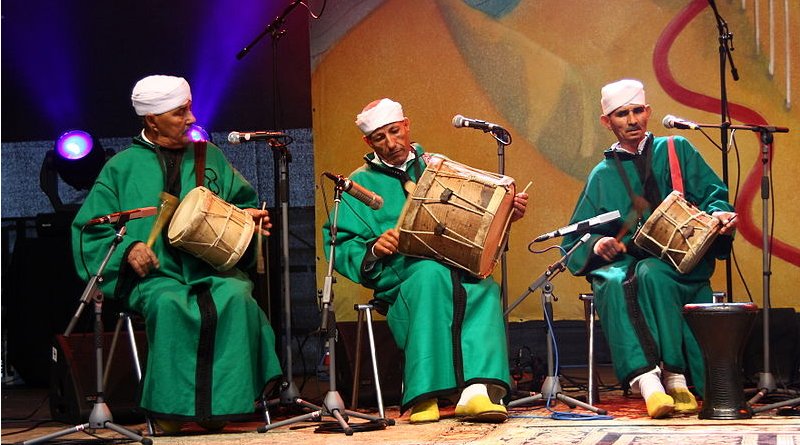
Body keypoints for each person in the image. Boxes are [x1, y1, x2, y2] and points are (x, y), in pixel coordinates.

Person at [71, 75, 282, 433]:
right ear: (151, 120)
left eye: (188, 109)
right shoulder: (120, 167)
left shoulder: (209, 156)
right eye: (179, 112)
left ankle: (225, 406)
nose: (190, 118)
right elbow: (88, 228)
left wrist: (249, 220)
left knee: (237, 295)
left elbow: (243, 203)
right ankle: (170, 413)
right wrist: (128, 250)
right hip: (156, 277)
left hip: (211, 270)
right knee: (170, 305)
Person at [322, 98, 528, 424]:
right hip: (401, 273)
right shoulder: (359, 183)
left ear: (406, 125)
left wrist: (507, 214)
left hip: (454, 264)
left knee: (484, 286)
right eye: (380, 138)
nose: (391, 143)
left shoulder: (437, 167)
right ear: (368, 142)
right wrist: (375, 247)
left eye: (394, 131)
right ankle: (425, 395)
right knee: (430, 276)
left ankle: (478, 390)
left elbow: (472, 217)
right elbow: (340, 242)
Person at [561, 79, 738, 418]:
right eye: (622, 114)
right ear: (606, 122)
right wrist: (599, 244)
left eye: (638, 110)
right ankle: (650, 381)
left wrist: (719, 213)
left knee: (652, 272)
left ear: (649, 112)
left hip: (683, 262)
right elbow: (575, 238)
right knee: (616, 279)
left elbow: (714, 193)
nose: (632, 120)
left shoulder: (677, 149)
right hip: (633, 264)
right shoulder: (602, 174)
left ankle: (675, 376)